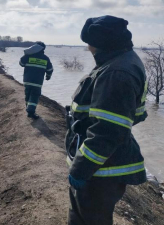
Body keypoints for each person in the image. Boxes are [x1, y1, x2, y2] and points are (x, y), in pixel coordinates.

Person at [65, 15, 148, 225]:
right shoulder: (118, 61)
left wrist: (81, 169)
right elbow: (133, 115)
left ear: (102, 43)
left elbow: (108, 130)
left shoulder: (117, 72)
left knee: (91, 219)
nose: (88, 49)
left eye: (90, 44)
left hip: (100, 170)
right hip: (100, 165)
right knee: (81, 216)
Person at [19, 41, 53, 119]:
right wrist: (48, 76)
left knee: (28, 95)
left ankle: (29, 109)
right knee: (34, 96)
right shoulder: (45, 58)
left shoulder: (28, 56)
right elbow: (50, 69)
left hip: (27, 80)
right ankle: (31, 111)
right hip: (37, 81)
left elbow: (21, 63)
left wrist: (26, 55)